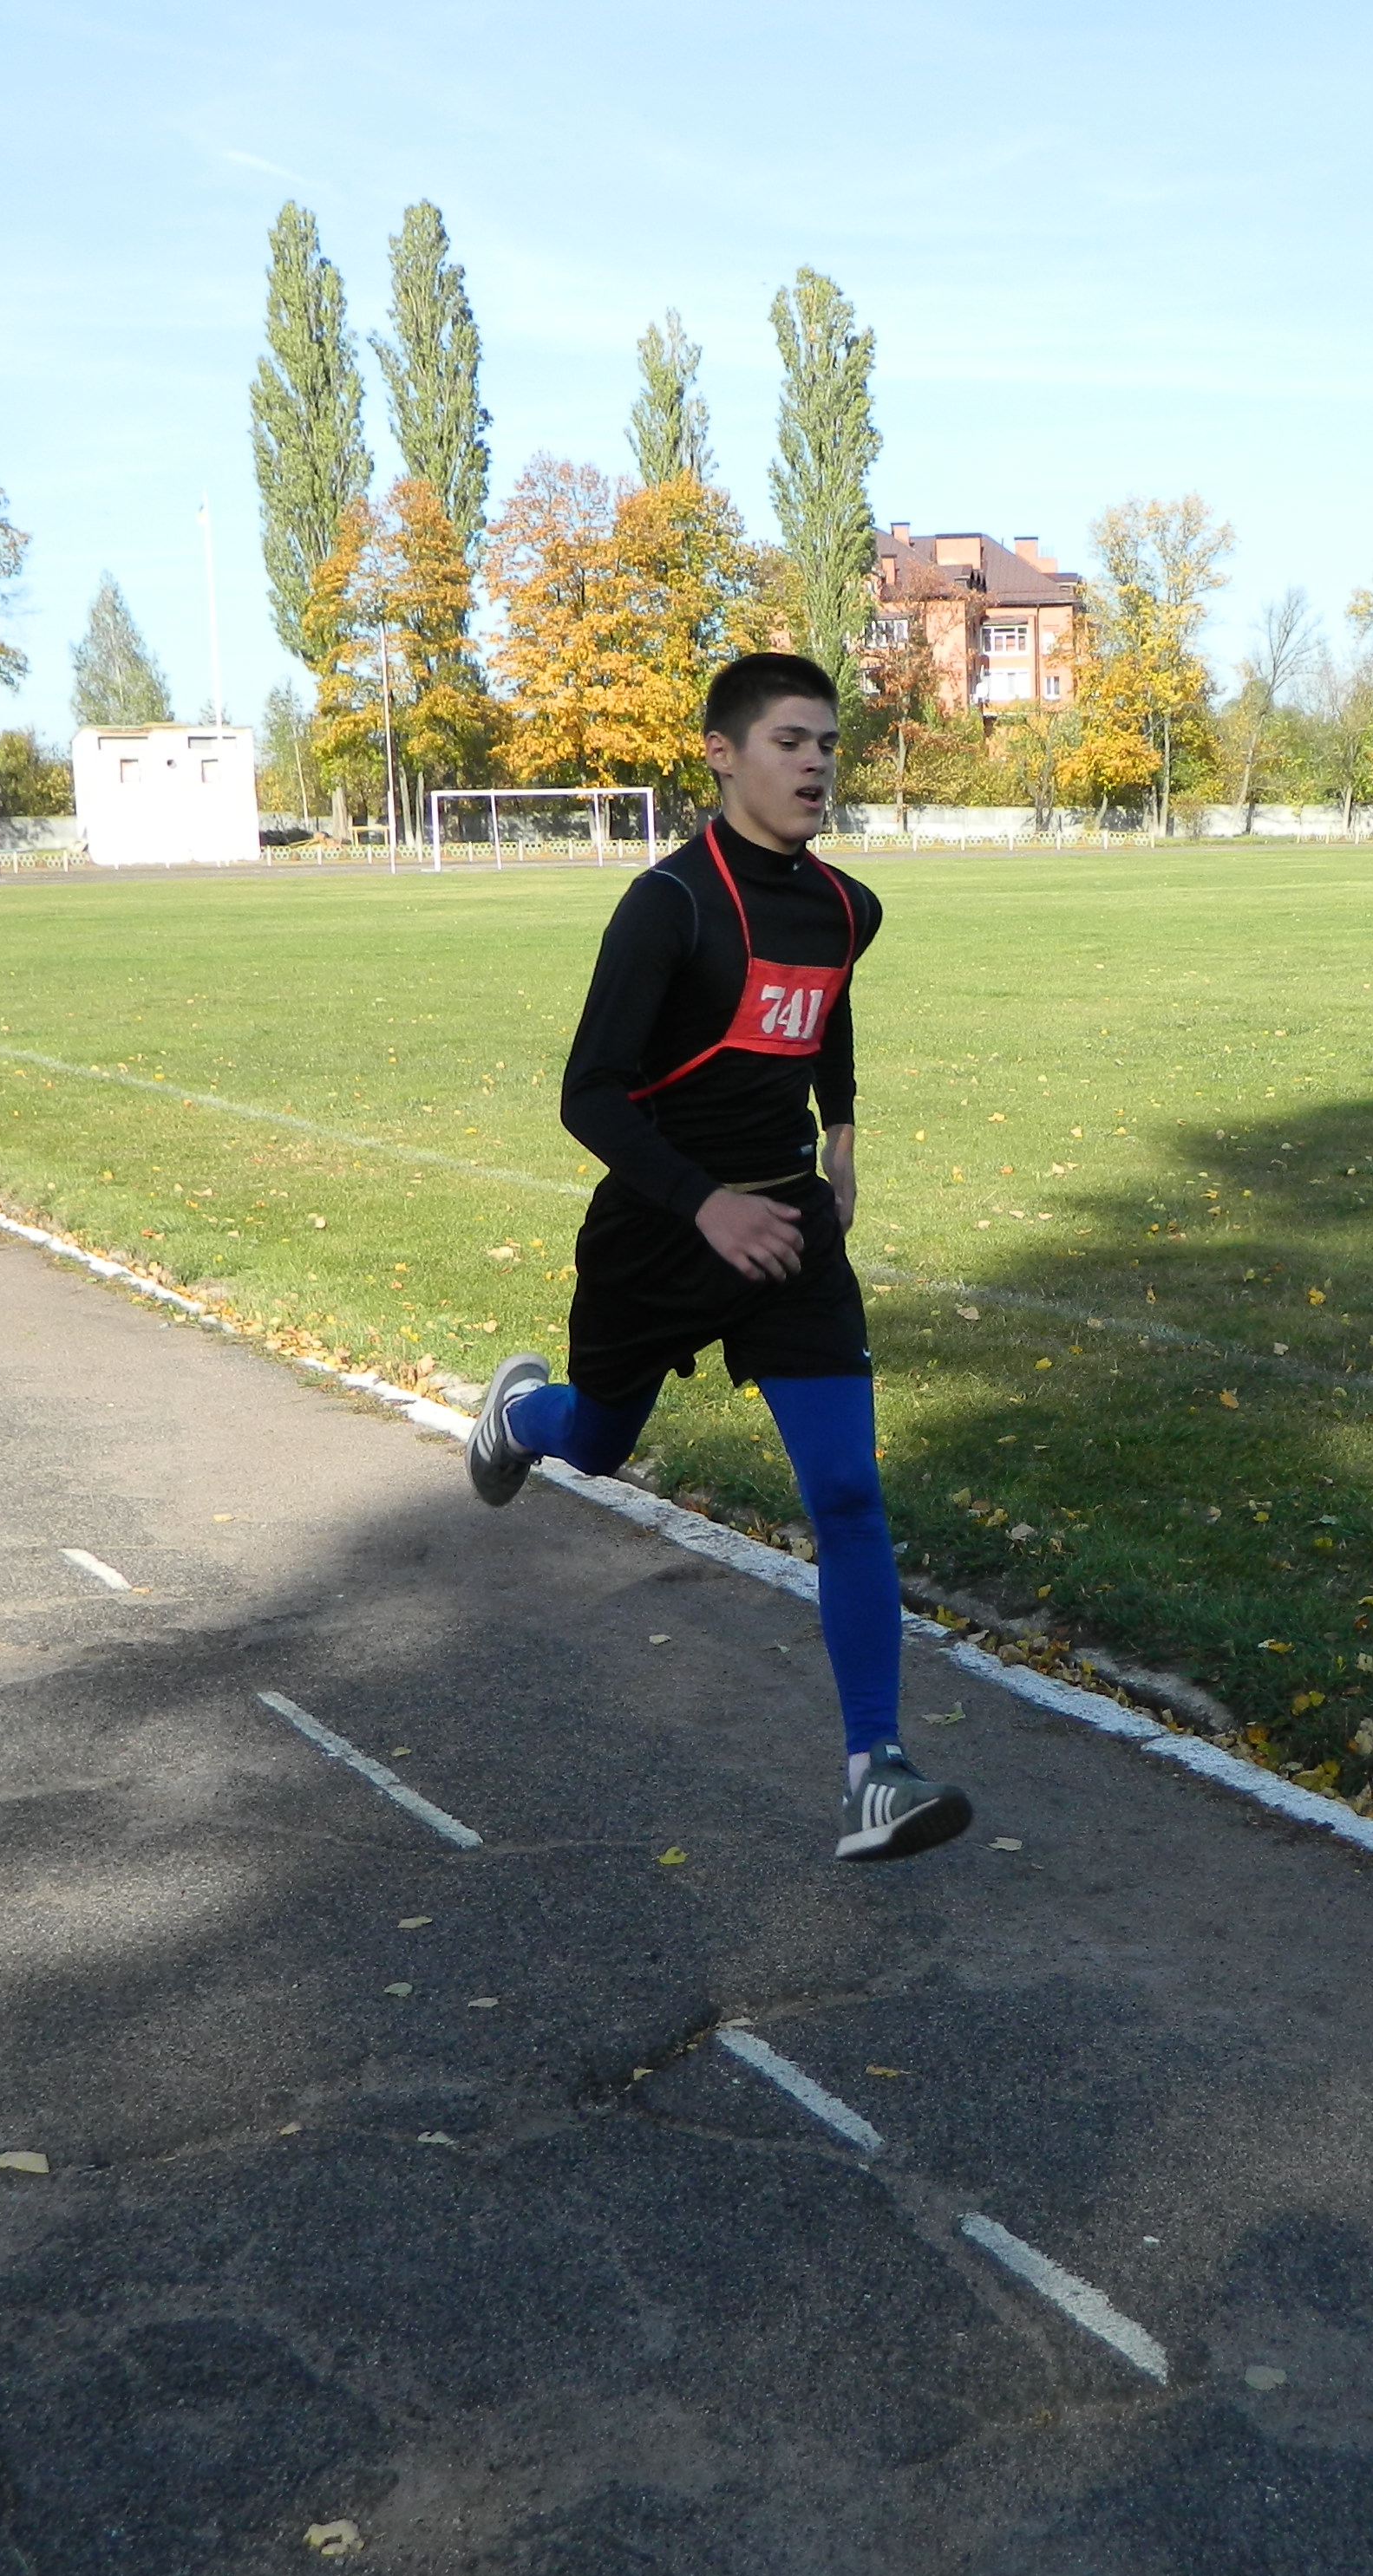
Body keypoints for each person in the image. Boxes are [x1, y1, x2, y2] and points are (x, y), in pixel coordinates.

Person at [466, 651, 971, 1863]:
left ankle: (874, 1773)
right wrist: (703, 1208)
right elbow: (589, 1096)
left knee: (847, 1493)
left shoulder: (848, 905)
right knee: (599, 1441)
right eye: (790, 743)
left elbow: (829, 998)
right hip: (658, 1227)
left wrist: (839, 1140)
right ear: (722, 753)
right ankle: (521, 1415)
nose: (814, 766)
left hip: (789, 1228)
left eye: (828, 746)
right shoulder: (670, 907)